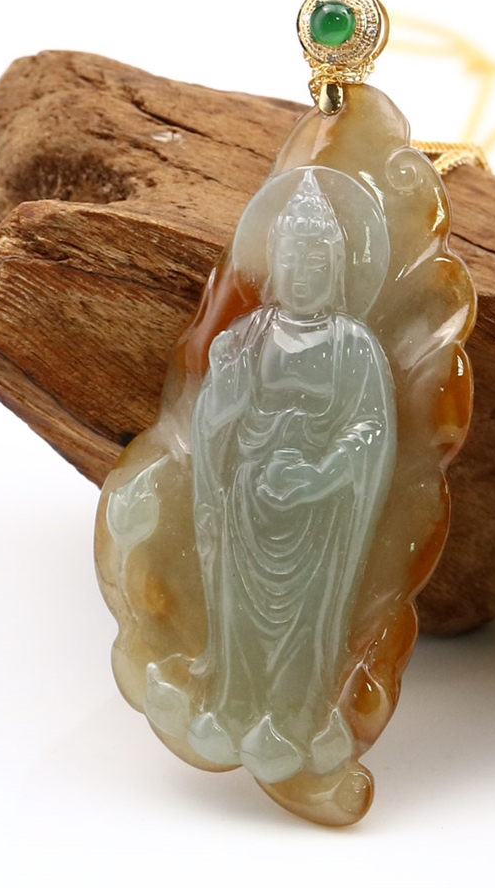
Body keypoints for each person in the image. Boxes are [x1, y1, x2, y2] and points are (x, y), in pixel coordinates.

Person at [180, 169, 397, 784]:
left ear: (338, 269)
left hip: (317, 517)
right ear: (275, 264)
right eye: (293, 260)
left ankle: (295, 720)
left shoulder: (355, 345)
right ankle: (233, 708)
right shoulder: (248, 336)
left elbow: (370, 429)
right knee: (238, 613)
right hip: (248, 504)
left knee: (307, 621)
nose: (303, 275)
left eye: (317, 262)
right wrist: (225, 389)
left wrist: (324, 474)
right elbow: (215, 423)